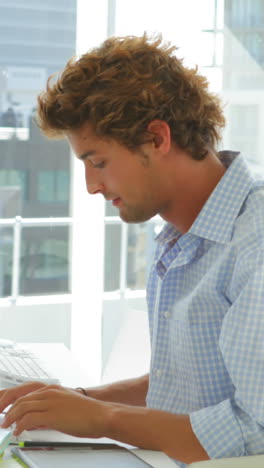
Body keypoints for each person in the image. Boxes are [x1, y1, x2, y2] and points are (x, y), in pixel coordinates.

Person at [1, 34, 264, 467]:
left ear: (157, 138)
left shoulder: (253, 242)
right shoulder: (182, 236)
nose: (91, 186)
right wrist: (76, 401)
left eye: (98, 162)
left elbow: (255, 431)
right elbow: (185, 383)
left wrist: (104, 418)